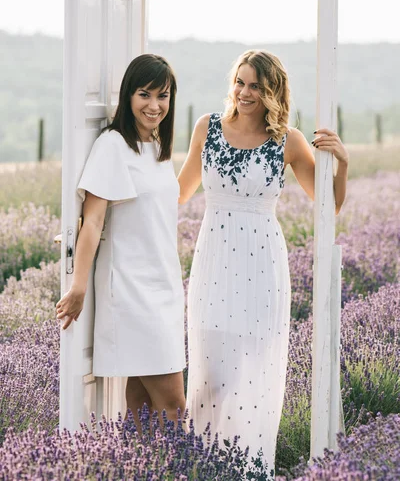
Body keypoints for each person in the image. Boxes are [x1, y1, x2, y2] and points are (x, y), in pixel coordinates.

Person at [178, 49, 349, 474]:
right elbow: (175, 195)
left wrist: (342, 163)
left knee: (252, 376)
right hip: (213, 264)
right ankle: (206, 468)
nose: (245, 92)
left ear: (272, 91)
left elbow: (329, 206)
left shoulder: (287, 140)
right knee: (210, 376)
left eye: (255, 85)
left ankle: (250, 470)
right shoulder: (207, 128)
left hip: (262, 268)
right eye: (240, 81)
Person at [56, 54, 186, 428]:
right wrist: (78, 286)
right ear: (129, 95)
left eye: (163, 96)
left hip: (164, 286)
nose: (154, 105)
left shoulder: (157, 147)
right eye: (144, 94)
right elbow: (92, 222)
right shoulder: (113, 145)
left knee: (142, 403)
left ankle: (135, 467)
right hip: (132, 292)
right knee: (174, 404)